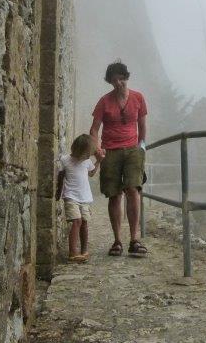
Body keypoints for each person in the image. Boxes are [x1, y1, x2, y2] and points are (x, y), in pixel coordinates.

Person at [89, 60, 148, 257]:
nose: (118, 83)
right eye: (114, 80)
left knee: (133, 189)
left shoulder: (138, 98)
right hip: (110, 151)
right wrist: (97, 148)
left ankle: (135, 239)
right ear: (110, 82)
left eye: (121, 79)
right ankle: (117, 241)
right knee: (114, 194)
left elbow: (142, 124)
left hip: (132, 149)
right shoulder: (104, 101)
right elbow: (94, 129)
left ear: (126, 78)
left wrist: (142, 146)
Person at [56, 133, 103, 262]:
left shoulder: (87, 161)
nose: (89, 156)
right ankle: (72, 252)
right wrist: (58, 194)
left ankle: (84, 250)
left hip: (85, 197)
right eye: (87, 154)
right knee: (77, 221)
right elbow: (60, 177)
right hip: (71, 196)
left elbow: (92, 174)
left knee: (84, 223)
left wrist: (98, 161)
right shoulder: (65, 160)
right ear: (79, 150)